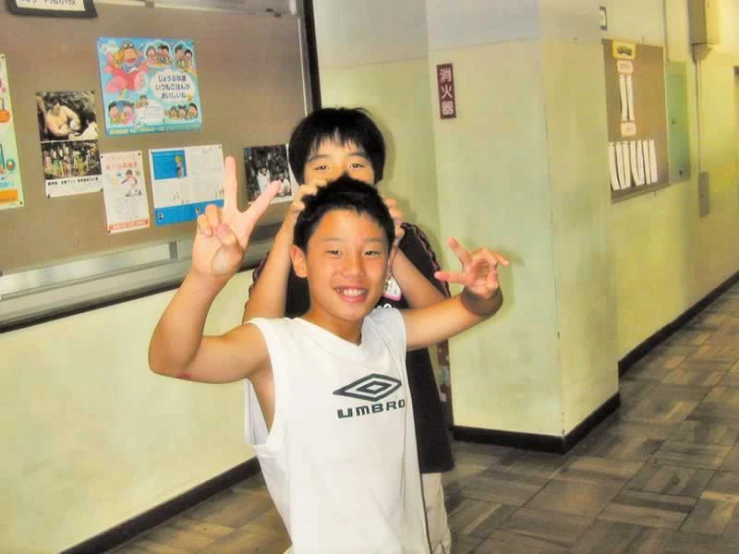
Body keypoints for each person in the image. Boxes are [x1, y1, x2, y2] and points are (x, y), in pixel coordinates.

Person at [149, 165, 507, 553]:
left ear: (388, 265)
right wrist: (205, 277)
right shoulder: (275, 346)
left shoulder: (388, 331)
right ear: (300, 261)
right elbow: (172, 361)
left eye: (371, 252)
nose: (353, 269)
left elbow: (472, 310)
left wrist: (482, 290)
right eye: (334, 251)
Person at [244, 107, 456, 553]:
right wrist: (287, 233)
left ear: (377, 175)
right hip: (324, 440)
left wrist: (390, 246)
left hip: (408, 430)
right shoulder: (294, 249)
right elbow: (254, 335)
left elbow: (439, 320)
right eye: (322, 166)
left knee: (421, 535)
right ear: (300, 178)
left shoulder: (407, 238)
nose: (341, 175)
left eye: (356, 164)